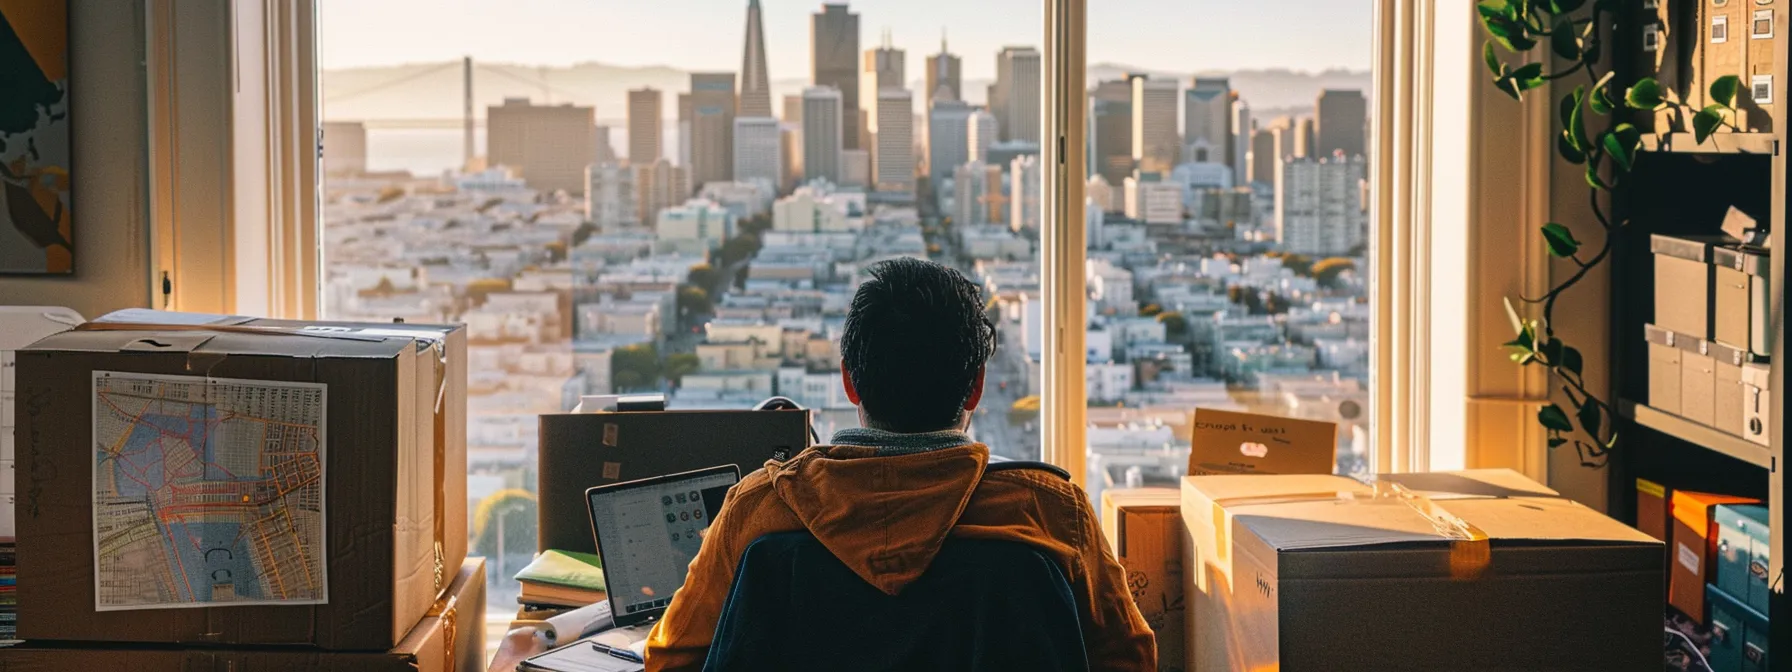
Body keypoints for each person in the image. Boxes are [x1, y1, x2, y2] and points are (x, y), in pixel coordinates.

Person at [645, 258, 1156, 670]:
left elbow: (668, 659)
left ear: (850, 381)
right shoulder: (1048, 513)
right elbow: (1129, 658)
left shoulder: (760, 509)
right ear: (975, 385)